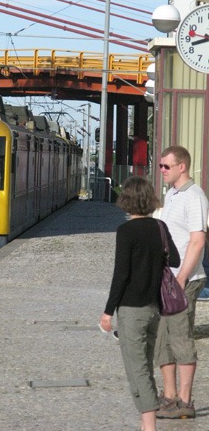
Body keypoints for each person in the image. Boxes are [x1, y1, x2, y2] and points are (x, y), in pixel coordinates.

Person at [100, 176, 179, 431]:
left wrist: (107, 311)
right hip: (155, 308)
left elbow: (121, 274)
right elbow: (175, 260)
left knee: (137, 369)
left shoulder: (126, 231)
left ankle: (149, 426)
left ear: (127, 201)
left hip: (132, 310)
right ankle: (147, 423)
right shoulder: (160, 227)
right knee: (145, 365)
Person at [155, 145, 208, 419]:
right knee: (162, 338)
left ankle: (185, 401)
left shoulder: (194, 197)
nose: (161, 170)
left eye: (166, 166)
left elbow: (198, 240)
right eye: (161, 165)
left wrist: (182, 277)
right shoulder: (172, 194)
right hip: (168, 278)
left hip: (184, 279)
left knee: (180, 337)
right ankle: (169, 396)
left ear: (182, 167)